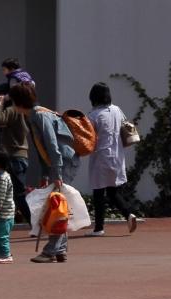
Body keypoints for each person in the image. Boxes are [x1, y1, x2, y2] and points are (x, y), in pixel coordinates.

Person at [9, 82, 79, 264]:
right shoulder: (36, 115)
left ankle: (50, 251)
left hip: (63, 163)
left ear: (19, 102)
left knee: (56, 206)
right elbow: (44, 149)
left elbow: (52, 146)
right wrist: (46, 174)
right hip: (62, 162)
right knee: (59, 205)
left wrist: (56, 173)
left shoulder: (39, 116)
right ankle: (60, 249)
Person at [85, 82, 140, 236]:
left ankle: (99, 228)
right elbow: (125, 126)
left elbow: (87, 137)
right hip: (117, 156)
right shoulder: (117, 110)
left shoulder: (93, 115)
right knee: (112, 192)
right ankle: (129, 214)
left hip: (101, 157)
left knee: (98, 192)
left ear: (93, 97)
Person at [0, 58, 32, 223]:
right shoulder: (25, 109)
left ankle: (34, 222)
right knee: (12, 192)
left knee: (16, 193)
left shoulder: (12, 110)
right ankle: (8, 223)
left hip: (13, 155)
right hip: (21, 155)